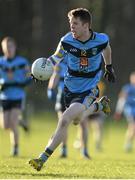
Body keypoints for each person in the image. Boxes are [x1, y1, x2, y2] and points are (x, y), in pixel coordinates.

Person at [29, 8, 116, 171]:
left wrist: (109, 67)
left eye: (75, 24)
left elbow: (107, 49)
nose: (72, 27)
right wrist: (41, 70)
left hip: (89, 88)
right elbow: (55, 58)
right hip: (70, 89)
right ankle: (99, 106)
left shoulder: (101, 39)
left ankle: (42, 158)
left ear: (86, 25)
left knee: (65, 119)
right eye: (71, 24)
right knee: (77, 119)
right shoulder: (66, 41)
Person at [0, 36, 31, 156]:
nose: (9, 49)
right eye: (6, 47)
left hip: (18, 96)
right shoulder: (0, 62)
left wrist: (20, 83)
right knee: (5, 125)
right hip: (4, 97)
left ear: (15, 47)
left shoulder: (22, 62)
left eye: (10, 47)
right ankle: (20, 121)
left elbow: (29, 78)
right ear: (3, 49)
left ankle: (15, 149)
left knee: (12, 124)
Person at [73, 81, 106, 158]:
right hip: (86, 107)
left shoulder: (101, 84)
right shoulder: (83, 81)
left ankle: (98, 145)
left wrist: (100, 108)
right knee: (83, 127)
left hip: (95, 108)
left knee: (98, 126)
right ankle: (80, 143)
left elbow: (100, 96)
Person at [47, 58, 68, 157]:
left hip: (76, 95)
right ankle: (63, 149)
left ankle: (83, 148)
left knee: (81, 122)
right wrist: (50, 89)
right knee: (63, 123)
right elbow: (55, 75)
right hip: (62, 95)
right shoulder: (60, 62)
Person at [114, 72, 135, 152]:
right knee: (133, 126)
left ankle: (128, 143)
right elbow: (121, 100)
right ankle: (128, 144)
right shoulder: (127, 88)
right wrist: (118, 111)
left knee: (131, 128)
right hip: (130, 110)